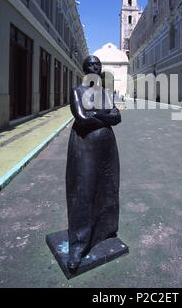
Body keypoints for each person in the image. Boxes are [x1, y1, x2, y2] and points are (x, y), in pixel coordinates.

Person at [66, 55, 121, 272]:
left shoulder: (106, 93)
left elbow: (117, 117)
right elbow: (82, 119)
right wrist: (104, 115)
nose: (94, 67)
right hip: (84, 145)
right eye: (90, 64)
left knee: (108, 187)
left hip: (107, 146)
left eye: (97, 65)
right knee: (83, 190)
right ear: (85, 69)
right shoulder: (77, 91)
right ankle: (78, 245)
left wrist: (97, 113)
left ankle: (105, 230)